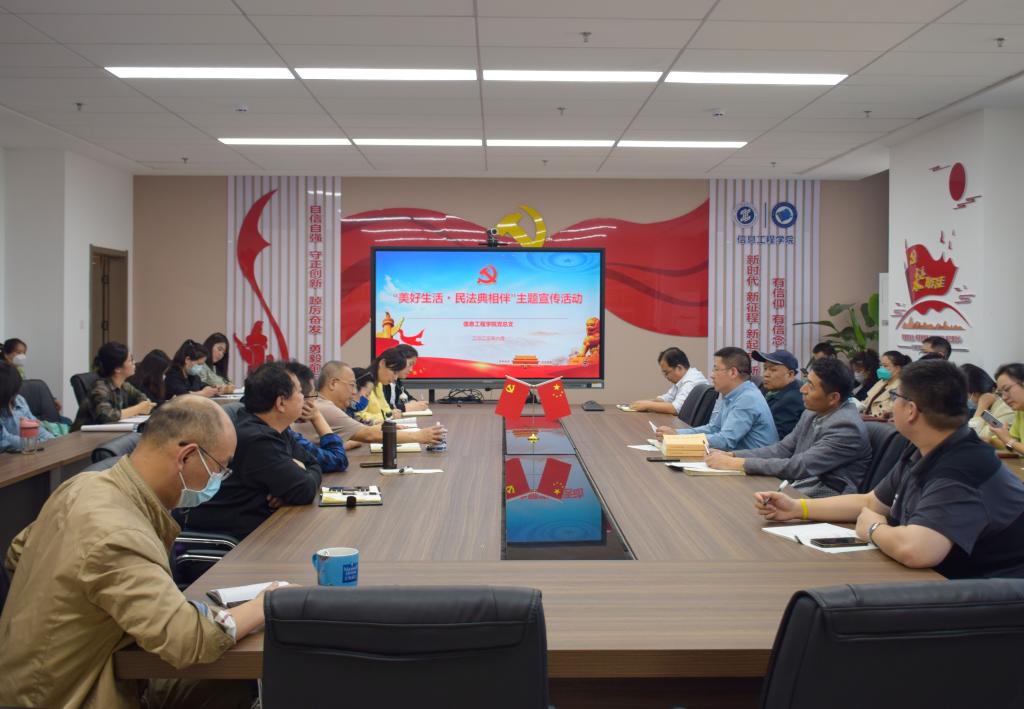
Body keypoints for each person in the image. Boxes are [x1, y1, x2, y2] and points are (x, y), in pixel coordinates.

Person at [0, 396, 273, 708]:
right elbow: (186, 639)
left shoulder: (83, 486)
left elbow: (17, 552)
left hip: (38, 678)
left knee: (226, 687)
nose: (218, 480)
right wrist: (263, 604)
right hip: (69, 694)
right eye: (220, 468)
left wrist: (96, 617)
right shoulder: (118, 531)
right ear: (186, 457)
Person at [754, 359, 1024, 579]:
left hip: (996, 599)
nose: (891, 403)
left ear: (911, 410)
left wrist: (873, 528)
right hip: (944, 581)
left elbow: (916, 550)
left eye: (895, 396)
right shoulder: (924, 448)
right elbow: (871, 502)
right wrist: (796, 508)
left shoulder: (963, 466)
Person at [179, 361, 322, 541]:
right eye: (299, 392)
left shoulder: (277, 428)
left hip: (260, 529)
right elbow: (305, 489)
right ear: (281, 402)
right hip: (231, 542)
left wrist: (297, 478)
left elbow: (313, 464)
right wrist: (296, 480)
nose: (303, 398)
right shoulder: (257, 439)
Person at [706, 357, 869, 497]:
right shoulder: (812, 412)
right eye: (806, 382)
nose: (802, 389)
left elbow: (800, 466)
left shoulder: (846, 427)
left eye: (811, 386)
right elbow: (782, 449)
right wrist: (732, 455)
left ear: (833, 398)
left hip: (824, 498)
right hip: (797, 485)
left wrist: (738, 463)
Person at [294, 360, 444, 447]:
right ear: (333, 383)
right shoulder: (326, 408)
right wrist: (419, 436)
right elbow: (369, 435)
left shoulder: (322, 404)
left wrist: (382, 428)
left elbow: (364, 432)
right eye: (352, 385)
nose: (354, 392)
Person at [657, 347, 778, 451]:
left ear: (733, 372)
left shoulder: (747, 399)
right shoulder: (732, 394)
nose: (712, 375)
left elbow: (725, 441)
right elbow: (714, 428)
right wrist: (677, 433)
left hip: (754, 467)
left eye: (716, 369)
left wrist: (679, 438)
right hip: (735, 459)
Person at [71, 342, 156, 430]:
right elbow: (106, 417)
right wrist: (138, 408)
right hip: (82, 436)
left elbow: (143, 399)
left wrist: (144, 406)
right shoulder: (99, 388)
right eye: (130, 360)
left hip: (107, 433)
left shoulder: (124, 386)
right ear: (118, 369)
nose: (134, 363)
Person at [282, 361, 349, 473]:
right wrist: (317, 417)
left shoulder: (284, 432)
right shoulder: (279, 435)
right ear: (281, 400)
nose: (314, 403)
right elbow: (338, 460)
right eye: (313, 396)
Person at [628, 347, 709, 416]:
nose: (666, 377)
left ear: (679, 368)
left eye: (667, 372)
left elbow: (676, 409)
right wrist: (644, 402)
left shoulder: (691, 381)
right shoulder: (682, 379)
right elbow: (667, 398)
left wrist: (647, 405)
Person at [0, 362, 56, 452]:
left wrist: (52, 440)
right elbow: (4, 440)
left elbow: (36, 427)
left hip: (28, 449)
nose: (15, 395)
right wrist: (34, 443)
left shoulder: (19, 400)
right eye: (11, 392)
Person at [752, 349, 802, 439]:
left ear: (790, 374)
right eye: (765, 368)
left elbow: (776, 438)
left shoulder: (792, 399)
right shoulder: (767, 388)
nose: (766, 374)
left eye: (773, 370)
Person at [963, 363, 1015, 447]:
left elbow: (973, 436)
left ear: (975, 393)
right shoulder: (990, 407)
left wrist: (980, 409)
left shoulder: (1005, 407)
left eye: (966, 396)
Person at [857, 350, 911, 419]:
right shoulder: (881, 382)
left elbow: (890, 413)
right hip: (866, 419)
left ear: (897, 369)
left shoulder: (901, 388)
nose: (881, 369)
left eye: (885, 366)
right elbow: (867, 401)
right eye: (881, 365)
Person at [359, 349, 407, 423]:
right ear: (382, 363)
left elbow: (386, 410)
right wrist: (385, 416)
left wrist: (391, 413)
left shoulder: (379, 384)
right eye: (394, 372)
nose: (395, 378)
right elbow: (358, 416)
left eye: (398, 374)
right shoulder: (363, 381)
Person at [381, 344, 429, 412]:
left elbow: (408, 397)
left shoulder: (397, 381)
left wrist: (415, 403)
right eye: (410, 364)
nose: (411, 370)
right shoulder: (380, 381)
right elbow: (381, 408)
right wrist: (406, 408)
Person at [992, 363, 1024, 457]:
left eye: (1006, 389)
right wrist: (990, 440)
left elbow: (1011, 442)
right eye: (1000, 393)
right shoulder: (1020, 412)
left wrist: (1009, 440)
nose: (1004, 397)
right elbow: (1013, 445)